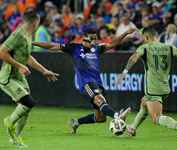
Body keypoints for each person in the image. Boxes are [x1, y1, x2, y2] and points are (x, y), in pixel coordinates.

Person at [32, 27, 139, 134]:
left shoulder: (96, 49)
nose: (94, 41)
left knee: (101, 118)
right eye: (92, 38)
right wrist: (32, 42)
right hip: (86, 83)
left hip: (98, 83)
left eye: (95, 39)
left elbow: (112, 44)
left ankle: (76, 122)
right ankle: (118, 116)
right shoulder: (74, 47)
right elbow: (51, 46)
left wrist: (125, 33)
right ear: (84, 37)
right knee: (100, 100)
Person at [116, 25, 177, 141]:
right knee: (144, 101)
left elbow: (134, 56)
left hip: (153, 88)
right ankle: (133, 128)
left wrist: (124, 72)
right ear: (156, 35)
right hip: (164, 87)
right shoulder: (168, 47)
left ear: (145, 37)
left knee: (156, 118)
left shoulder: (144, 48)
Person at [0, 10, 59, 147]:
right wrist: (19, 65)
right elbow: (2, 52)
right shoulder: (18, 34)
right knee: (28, 102)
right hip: (8, 77)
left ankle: (15, 137)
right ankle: (9, 121)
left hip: (19, 77)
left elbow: (28, 57)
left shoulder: (28, 36)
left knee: (25, 109)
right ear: (36, 23)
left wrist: (44, 70)